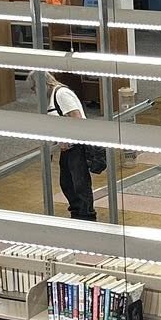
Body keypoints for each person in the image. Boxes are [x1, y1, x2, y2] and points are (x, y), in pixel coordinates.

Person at [46, 67, 97, 220]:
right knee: (67, 182)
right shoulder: (50, 97)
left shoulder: (61, 94)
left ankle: (86, 214)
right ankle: (77, 210)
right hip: (66, 146)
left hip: (76, 145)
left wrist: (68, 139)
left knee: (79, 183)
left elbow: (76, 117)